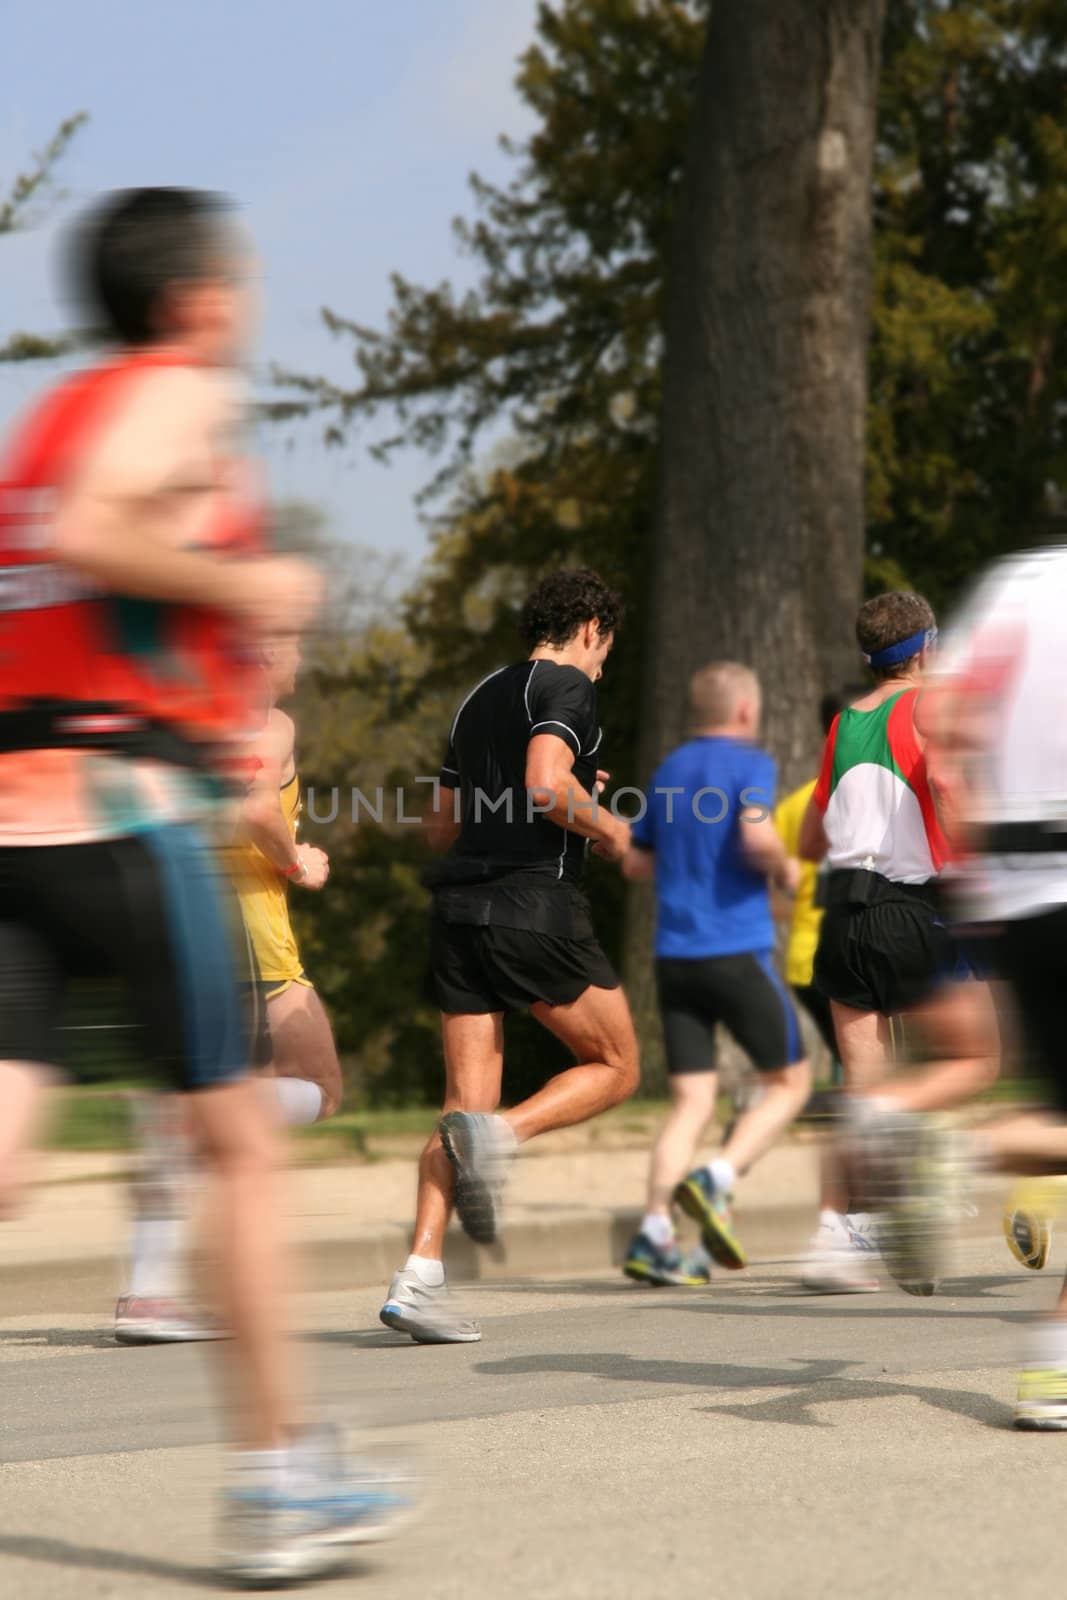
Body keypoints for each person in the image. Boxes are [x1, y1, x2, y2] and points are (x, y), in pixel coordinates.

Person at [0, 187, 412, 1583]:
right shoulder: (168, 395)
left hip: (12, 821)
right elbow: (98, 534)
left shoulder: (44, 418)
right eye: (237, 287)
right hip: (127, 814)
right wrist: (251, 592)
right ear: (193, 302)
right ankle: (282, 1483)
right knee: (237, 1144)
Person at [379, 568, 640, 1343]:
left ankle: (419, 1275)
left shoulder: (480, 695)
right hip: (532, 908)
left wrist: (558, 796)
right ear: (590, 626)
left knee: (463, 1105)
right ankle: (509, 1136)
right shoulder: (568, 683)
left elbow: (439, 823)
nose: (602, 665)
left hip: (457, 912)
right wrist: (609, 827)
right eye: (606, 649)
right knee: (619, 1065)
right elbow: (544, 785)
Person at [115, 629, 344, 1344]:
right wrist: (295, 861)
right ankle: (191, 1121)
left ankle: (152, 1292)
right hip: (244, 934)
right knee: (318, 1089)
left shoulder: (183, 710)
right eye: (294, 643)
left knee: (198, 1108)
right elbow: (255, 808)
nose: (301, 657)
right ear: (268, 651)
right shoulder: (264, 720)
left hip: (160, 916)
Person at [798, 591, 998, 1294]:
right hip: (913, 910)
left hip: (842, 916)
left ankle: (834, 1233)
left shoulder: (842, 722)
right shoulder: (929, 704)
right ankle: (924, 1191)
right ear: (923, 650)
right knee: (973, 1057)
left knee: (861, 1083)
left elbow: (809, 835)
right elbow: (943, 782)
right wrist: (978, 865)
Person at [906, 548, 1067, 1423]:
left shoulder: (1019, 583)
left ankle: (1055, 1364)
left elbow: (944, 713)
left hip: (1014, 878)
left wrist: (971, 849)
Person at [619, 663, 811, 1285]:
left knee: (691, 1102)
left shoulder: (670, 772)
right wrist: (785, 870)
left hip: (675, 958)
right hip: (735, 950)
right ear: (746, 713)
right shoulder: (749, 766)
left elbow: (635, 865)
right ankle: (717, 1177)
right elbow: (757, 840)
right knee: (790, 1083)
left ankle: (654, 1233)